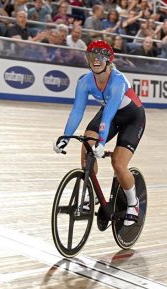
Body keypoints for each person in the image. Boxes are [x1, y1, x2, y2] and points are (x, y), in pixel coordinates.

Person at [53, 40, 146, 226]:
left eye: (99, 58)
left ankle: (133, 203)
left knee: (118, 164)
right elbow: (77, 111)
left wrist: (102, 142)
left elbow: (110, 113)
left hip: (132, 118)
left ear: (108, 61)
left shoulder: (118, 81)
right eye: (91, 57)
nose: (95, 61)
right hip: (108, 114)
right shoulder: (85, 81)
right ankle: (90, 193)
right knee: (87, 145)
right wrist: (65, 137)